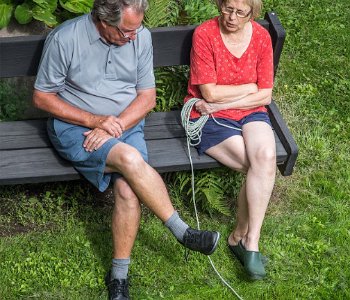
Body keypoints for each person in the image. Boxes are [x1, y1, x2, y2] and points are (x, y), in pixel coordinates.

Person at [33, 0, 220, 299]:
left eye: (137, 28)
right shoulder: (66, 38)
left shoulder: (140, 36)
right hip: (75, 127)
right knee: (130, 158)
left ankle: (118, 277)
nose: (133, 36)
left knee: (129, 189)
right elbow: (42, 98)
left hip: (126, 124)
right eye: (126, 31)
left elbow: (147, 97)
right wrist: (95, 120)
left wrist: (114, 124)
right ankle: (182, 232)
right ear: (103, 22)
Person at [183, 0, 275, 280]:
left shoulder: (261, 37)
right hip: (208, 118)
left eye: (240, 12)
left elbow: (265, 95)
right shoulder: (205, 34)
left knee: (266, 159)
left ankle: (250, 240)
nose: (231, 17)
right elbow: (208, 93)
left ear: (252, 14)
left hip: (250, 112)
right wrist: (248, 87)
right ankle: (238, 239)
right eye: (227, 9)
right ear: (220, 5)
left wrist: (233, 98)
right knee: (255, 166)